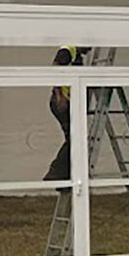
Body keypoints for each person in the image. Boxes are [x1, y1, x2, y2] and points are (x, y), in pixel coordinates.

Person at [44, 44, 84, 182]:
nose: (90, 49)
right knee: (74, 138)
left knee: (74, 139)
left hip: (67, 102)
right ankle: (56, 172)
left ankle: (64, 174)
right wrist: (59, 95)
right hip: (60, 102)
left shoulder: (76, 54)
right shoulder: (67, 50)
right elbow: (56, 69)